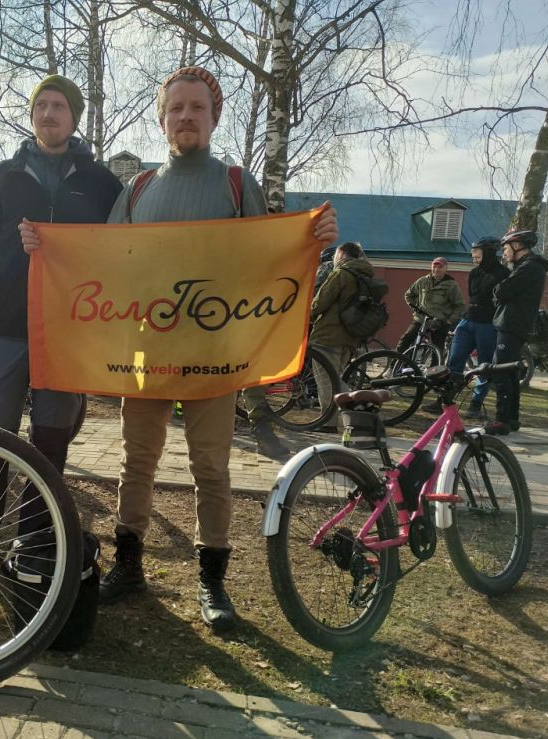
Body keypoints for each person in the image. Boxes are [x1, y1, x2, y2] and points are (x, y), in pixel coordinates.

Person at [21, 66, 339, 632]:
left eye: (197, 108)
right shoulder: (139, 189)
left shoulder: (236, 184)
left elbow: (267, 260)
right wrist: (46, 246)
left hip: (214, 356)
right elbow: (104, 260)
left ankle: (211, 580)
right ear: (162, 119)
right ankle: (129, 564)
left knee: (210, 467)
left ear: (214, 118)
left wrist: (310, 239)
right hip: (147, 353)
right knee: (136, 461)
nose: (186, 117)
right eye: (176, 108)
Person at [0, 75, 122, 509]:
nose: (48, 114)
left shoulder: (102, 182)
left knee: (51, 440)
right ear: (32, 114)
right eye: (41, 106)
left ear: (74, 117)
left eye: (59, 106)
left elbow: (118, 254)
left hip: (69, 331)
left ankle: (36, 538)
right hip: (6, 329)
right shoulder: (5, 176)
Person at [484, 229, 548, 435]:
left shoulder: (529, 267)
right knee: (511, 371)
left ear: (517, 246)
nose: (504, 253)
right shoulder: (526, 267)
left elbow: (501, 291)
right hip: (514, 324)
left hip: (512, 324)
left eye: (505, 248)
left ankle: (502, 419)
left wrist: (499, 291)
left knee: (499, 369)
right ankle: (512, 418)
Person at [437, 236, 509, 417]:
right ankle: (445, 401)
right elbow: (473, 296)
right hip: (467, 321)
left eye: (476, 252)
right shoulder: (474, 273)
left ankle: (475, 405)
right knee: (454, 362)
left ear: (488, 253)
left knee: (484, 367)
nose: (473, 255)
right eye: (472, 252)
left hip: (488, 325)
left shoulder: (503, 274)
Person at [308, 241, 375, 431]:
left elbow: (320, 302)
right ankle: (358, 412)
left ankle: (335, 420)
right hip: (350, 337)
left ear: (342, 254)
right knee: (334, 378)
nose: (334, 259)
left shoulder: (341, 273)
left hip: (328, 334)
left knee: (327, 380)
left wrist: (307, 316)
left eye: (336, 255)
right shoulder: (366, 275)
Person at [395, 257, 465, 355]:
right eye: (434, 266)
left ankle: (436, 365)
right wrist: (417, 309)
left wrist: (449, 321)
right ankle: (397, 362)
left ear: (446, 268)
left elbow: (460, 306)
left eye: (440, 267)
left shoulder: (452, 286)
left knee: (437, 350)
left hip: (440, 322)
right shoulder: (422, 281)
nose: (436, 269)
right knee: (405, 340)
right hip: (421, 319)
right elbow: (408, 295)